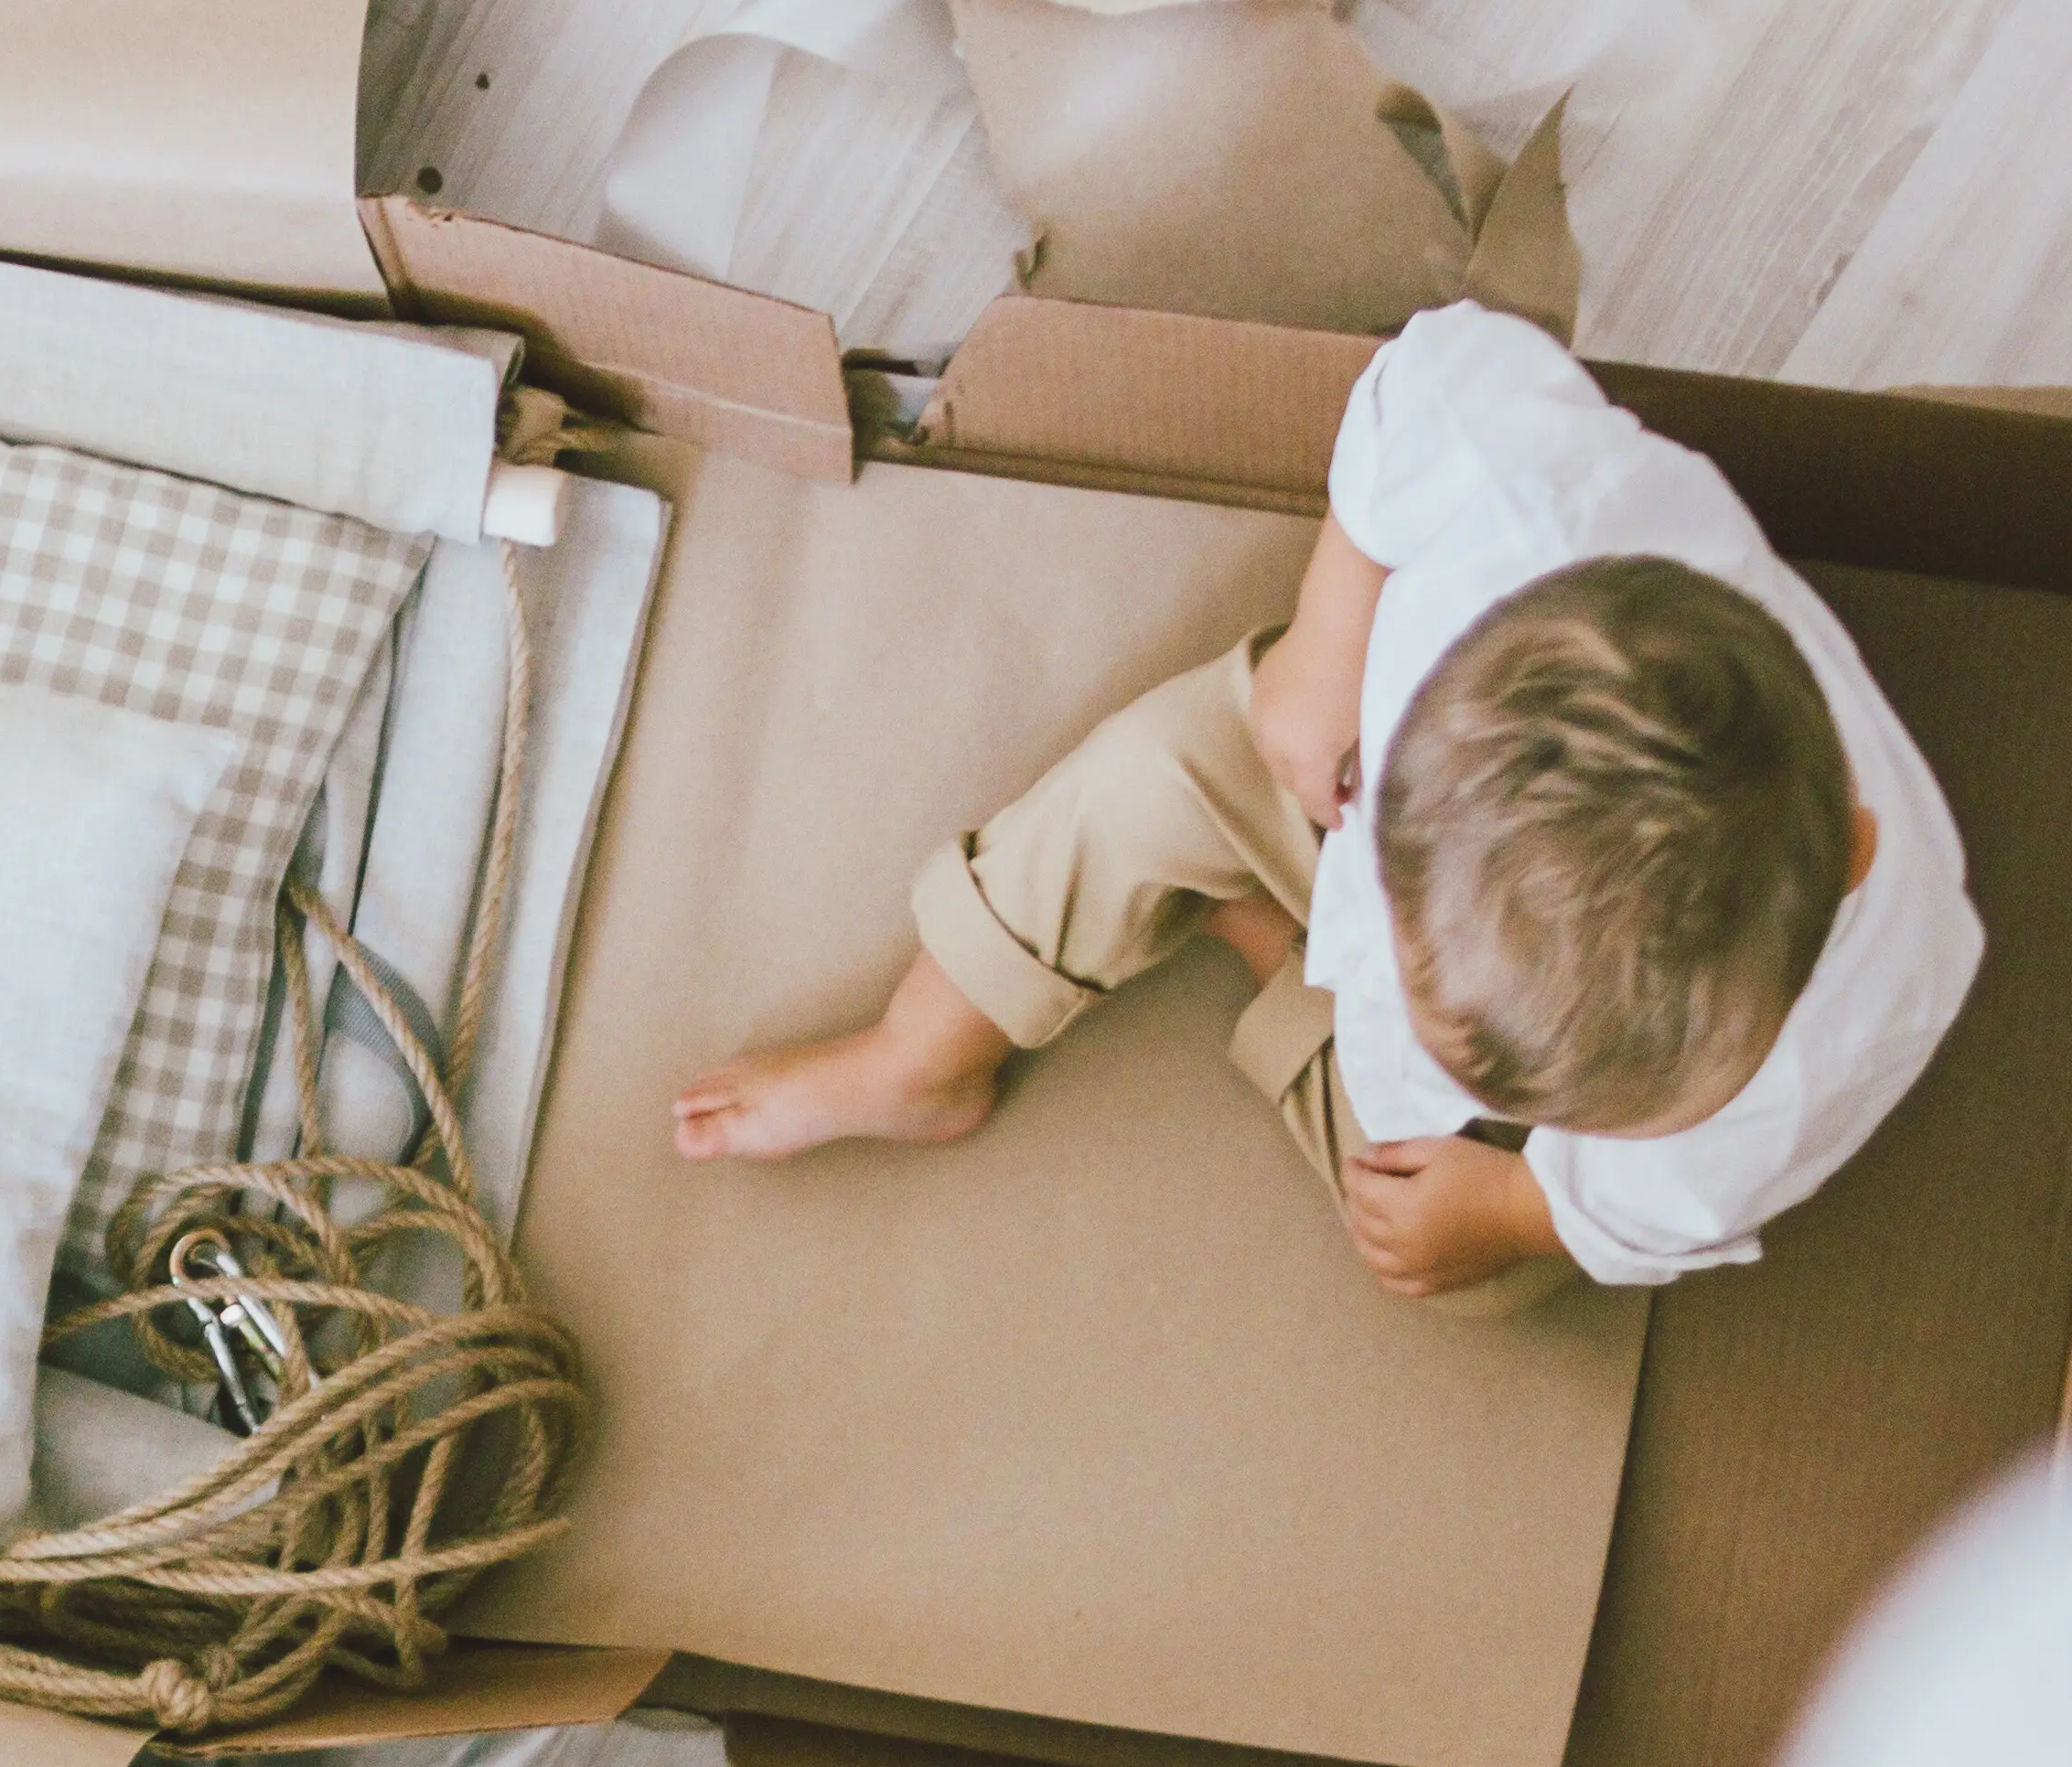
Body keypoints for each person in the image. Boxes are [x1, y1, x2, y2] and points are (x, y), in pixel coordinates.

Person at [669, 299, 1976, 1312]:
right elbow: (1427, 379)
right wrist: (1330, 631)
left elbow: (1632, 1214)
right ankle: (920, 1054)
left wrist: (1511, 1212)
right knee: (1150, 773)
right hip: (1346, 787)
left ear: (1856, 856)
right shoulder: (1535, 503)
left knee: (1461, 1269)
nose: (1392, 985)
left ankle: (1267, 957)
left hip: (1451, 998)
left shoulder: (1813, 1061)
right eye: (1402, 967)